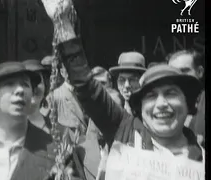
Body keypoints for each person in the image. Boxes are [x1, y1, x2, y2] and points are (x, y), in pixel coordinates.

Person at [40, 1, 204, 180]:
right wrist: (62, 21)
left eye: (171, 93)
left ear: (187, 103)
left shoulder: (201, 160)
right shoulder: (126, 130)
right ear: (140, 107)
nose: (161, 104)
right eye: (151, 96)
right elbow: (85, 84)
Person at [167, 50, 205, 145]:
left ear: (200, 72)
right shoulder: (162, 105)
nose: (178, 76)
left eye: (184, 71)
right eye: (173, 72)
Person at [23, 59, 52, 133]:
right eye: (27, 82)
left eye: (38, 81)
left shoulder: (58, 129)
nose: (33, 87)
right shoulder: (6, 130)